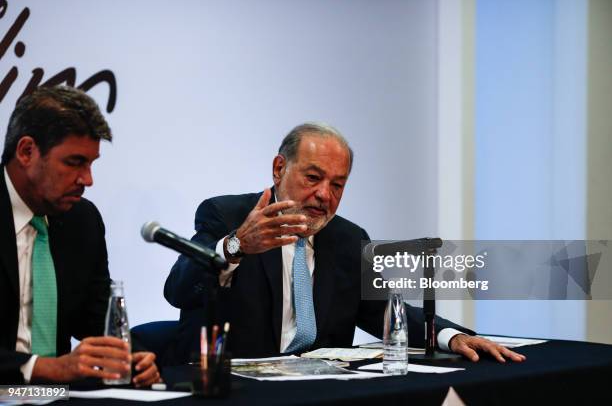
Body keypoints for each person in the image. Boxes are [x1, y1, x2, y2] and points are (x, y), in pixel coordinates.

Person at [164, 122, 526, 364]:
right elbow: (178, 291)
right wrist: (236, 247)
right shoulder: (226, 216)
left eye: (337, 185)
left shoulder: (348, 239)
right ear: (279, 169)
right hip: (239, 389)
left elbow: (385, 312)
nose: (324, 195)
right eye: (313, 177)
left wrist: (450, 337)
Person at [0, 86, 161, 385]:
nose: (87, 179)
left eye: (91, 164)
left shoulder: (82, 219)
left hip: (55, 397)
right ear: (26, 152)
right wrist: (40, 368)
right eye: (74, 162)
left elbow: (96, 315)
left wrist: (132, 357)